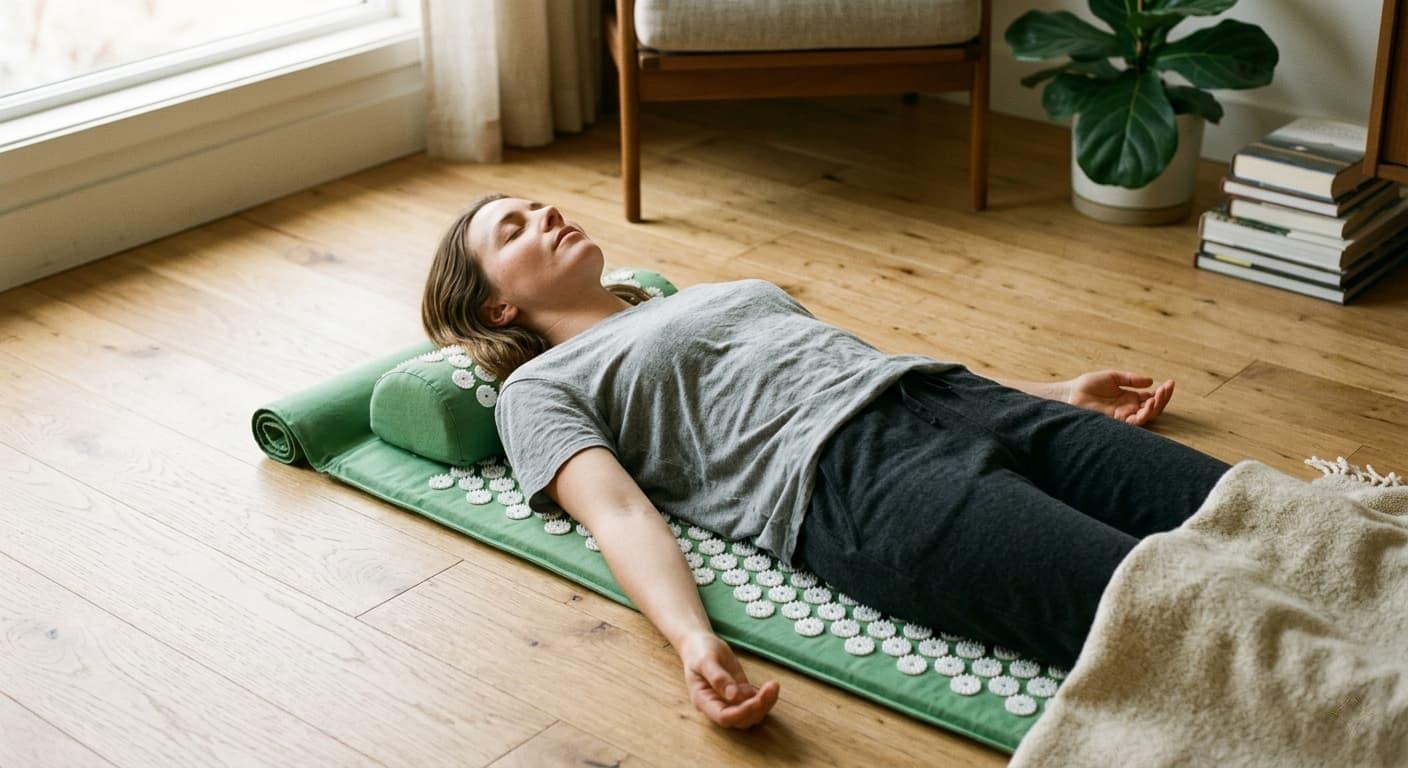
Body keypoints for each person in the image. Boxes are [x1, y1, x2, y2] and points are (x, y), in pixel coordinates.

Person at [420, 193, 1233, 731]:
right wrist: (689, 641)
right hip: (859, 486)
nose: (545, 213)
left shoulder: (688, 298)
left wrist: (1054, 391)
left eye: (537, 205)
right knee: (1178, 613)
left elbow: (854, 357)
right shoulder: (539, 387)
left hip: (956, 398)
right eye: (514, 229)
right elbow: (620, 514)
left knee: (1244, 509)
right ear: (497, 305)